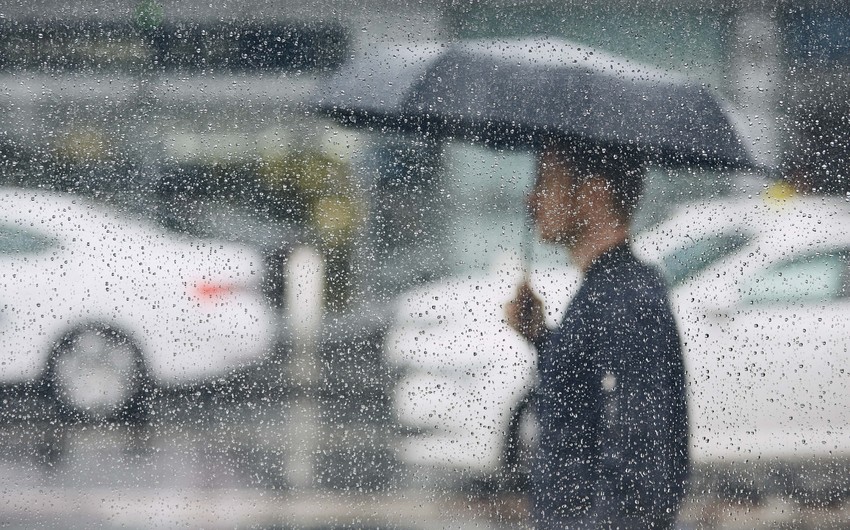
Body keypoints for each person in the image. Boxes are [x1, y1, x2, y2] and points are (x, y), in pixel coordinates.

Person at [505, 139, 690, 529]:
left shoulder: (626, 299)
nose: (531, 200)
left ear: (593, 193)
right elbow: (585, 400)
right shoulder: (607, 291)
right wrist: (540, 336)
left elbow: (644, 462)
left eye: (545, 182)